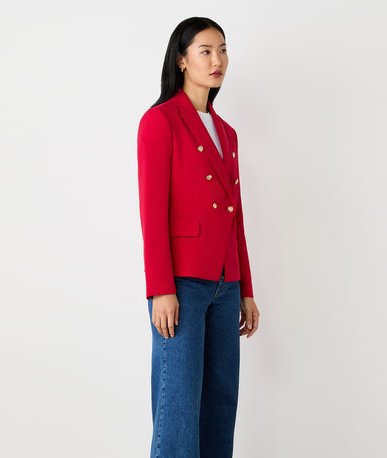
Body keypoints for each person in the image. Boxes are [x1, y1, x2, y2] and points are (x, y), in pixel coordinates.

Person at [137, 16, 260, 458]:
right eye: (205, 51)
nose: (217, 60)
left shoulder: (227, 133)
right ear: (182, 60)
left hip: (226, 285)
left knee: (220, 407)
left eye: (222, 50)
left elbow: (234, 217)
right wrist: (161, 289)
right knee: (178, 409)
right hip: (182, 285)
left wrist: (246, 289)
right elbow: (152, 212)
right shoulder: (160, 121)